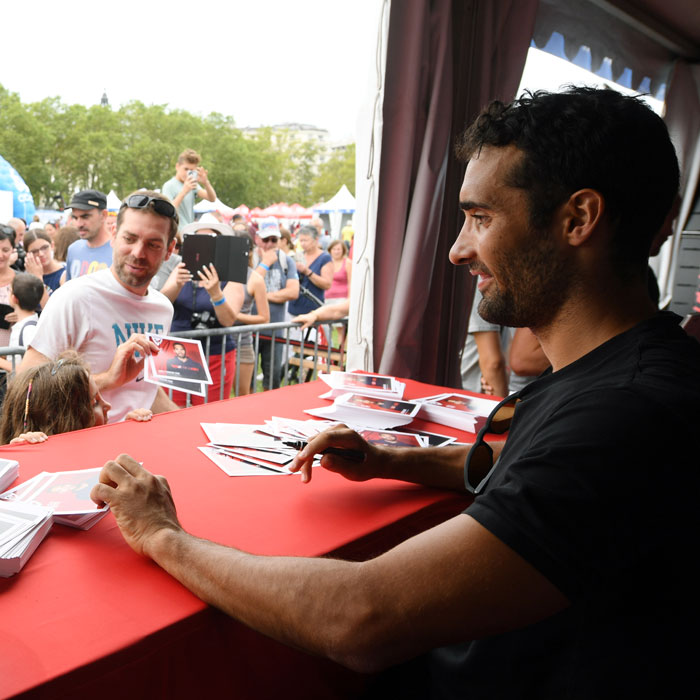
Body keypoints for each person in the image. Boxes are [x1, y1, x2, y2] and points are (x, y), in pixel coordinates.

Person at [91, 88, 700, 698]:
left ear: (578, 219)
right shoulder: (619, 376)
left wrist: (161, 535)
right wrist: (387, 459)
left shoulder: (627, 415)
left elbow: (361, 618)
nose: (460, 249)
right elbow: (516, 470)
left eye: (482, 218)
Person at [18, 191, 180, 423]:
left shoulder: (163, 308)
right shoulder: (75, 297)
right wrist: (106, 380)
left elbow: (145, 389)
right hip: (84, 452)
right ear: (114, 235)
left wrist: (191, 420)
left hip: (141, 446)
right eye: (130, 239)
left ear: (170, 249)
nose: (138, 253)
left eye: (153, 244)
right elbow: (26, 388)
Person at [161, 220, 244, 405]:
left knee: (208, 411)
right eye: (200, 238)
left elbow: (228, 320)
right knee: (174, 408)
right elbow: (161, 304)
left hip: (214, 353)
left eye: (211, 239)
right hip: (178, 352)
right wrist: (177, 284)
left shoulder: (230, 275)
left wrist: (215, 293)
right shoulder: (181, 269)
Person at [0, 350, 151, 445]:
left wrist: (131, 436)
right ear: (59, 420)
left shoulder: (101, 446)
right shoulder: (26, 457)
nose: (108, 405)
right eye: (94, 403)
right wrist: (24, 459)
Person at [252, 218, 299, 390]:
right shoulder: (251, 258)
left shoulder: (287, 261)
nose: (270, 244)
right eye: (266, 240)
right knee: (247, 382)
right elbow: (249, 286)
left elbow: (293, 292)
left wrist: (262, 296)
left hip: (275, 330)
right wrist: (265, 263)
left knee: (273, 380)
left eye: (274, 240)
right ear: (257, 239)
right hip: (250, 330)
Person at [230, 229, 269, 395]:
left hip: (241, 344)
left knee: (241, 396)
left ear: (249, 251)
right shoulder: (216, 273)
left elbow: (264, 318)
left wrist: (234, 316)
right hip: (216, 344)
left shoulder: (255, 279)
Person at [62, 189, 113, 283]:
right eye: (75, 217)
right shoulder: (73, 249)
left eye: (85, 217)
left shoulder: (120, 252)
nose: (79, 224)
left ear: (104, 215)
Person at [162, 148, 216, 231]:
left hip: (189, 230)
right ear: (177, 166)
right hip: (175, 232)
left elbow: (212, 199)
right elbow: (168, 210)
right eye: (186, 169)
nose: (188, 173)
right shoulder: (169, 185)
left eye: (192, 171)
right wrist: (184, 191)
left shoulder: (192, 184)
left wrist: (206, 182)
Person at [287, 224, 333, 317]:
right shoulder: (299, 255)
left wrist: (307, 272)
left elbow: (327, 284)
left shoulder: (324, 258)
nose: (303, 243)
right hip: (294, 308)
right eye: (301, 241)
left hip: (313, 310)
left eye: (306, 240)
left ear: (315, 240)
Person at [23, 229, 65, 294]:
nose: (41, 254)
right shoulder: (26, 277)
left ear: (52, 246)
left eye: (44, 248)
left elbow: (51, 304)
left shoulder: (64, 274)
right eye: (34, 251)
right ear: (27, 254)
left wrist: (38, 279)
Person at [0, 226, 17, 348]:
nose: (0, 255)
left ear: (12, 250)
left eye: (5, 250)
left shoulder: (20, 281)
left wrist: (21, 315)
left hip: (10, 355)